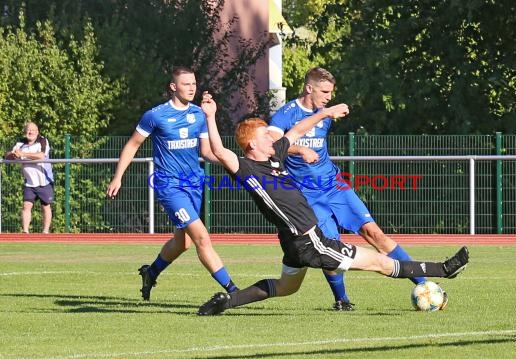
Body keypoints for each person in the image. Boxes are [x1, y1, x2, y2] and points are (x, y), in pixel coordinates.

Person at [196, 94, 469, 316]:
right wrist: (210, 116)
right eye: (267, 135)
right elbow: (218, 151)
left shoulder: (275, 157)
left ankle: (226, 302)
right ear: (253, 143)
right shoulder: (247, 168)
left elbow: (298, 130)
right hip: (309, 241)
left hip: (293, 242)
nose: (273, 137)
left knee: (285, 287)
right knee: (380, 262)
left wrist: (325, 113)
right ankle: (444, 269)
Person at [267, 67, 427, 311]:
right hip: (307, 195)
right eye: (325, 91)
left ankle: (425, 286)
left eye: (331, 92)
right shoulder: (287, 113)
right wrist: (299, 149)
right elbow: (271, 143)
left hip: (335, 185)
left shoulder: (325, 112)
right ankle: (341, 300)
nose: (329, 97)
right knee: (331, 246)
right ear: (309, 88)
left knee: (375, 234)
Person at [106, 66, 239, 301]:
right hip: (169, 186)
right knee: (201, 237)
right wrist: (118, 177)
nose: (192, 88)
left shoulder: (199, 114)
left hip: (194, 184)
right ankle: (234, 291)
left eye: (194, 84)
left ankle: (151, 272)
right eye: (186, 84)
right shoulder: (155, 115)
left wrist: (232, 164)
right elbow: (132, 145)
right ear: (173, 86)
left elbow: (207, 152)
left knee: (183, 242)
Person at [4, 121, 54, 233]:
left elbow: (41, 156)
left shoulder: (42, 140)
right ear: (25, 131)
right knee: (26, 205)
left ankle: (45, 232)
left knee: (45, 206)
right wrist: (12, 155)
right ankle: (25, 232)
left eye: (32, 130)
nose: (30, 132)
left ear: (37, 132)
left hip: (43, 181)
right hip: (29, 182)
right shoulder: (20, 143)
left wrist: (23, 155)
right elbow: (7, 155)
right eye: (28, 130)